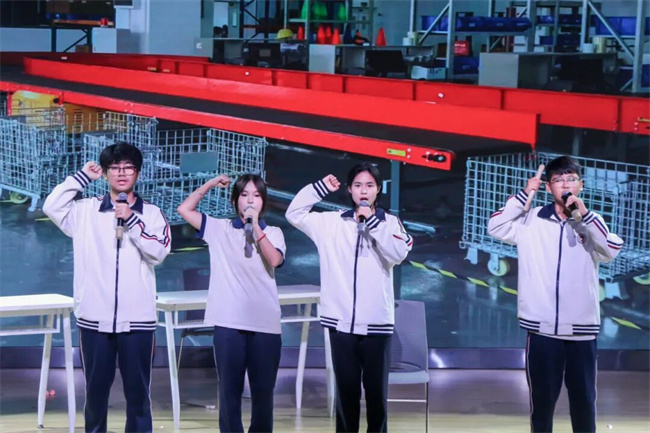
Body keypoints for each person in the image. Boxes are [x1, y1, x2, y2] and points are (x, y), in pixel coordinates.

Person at [487, 155, 624, 433]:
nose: (566, 185)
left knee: (584, 403)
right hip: (542, 329)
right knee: (542, 404)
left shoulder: (592, 221)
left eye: (571, 179)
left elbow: (610, 250)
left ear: (581, 185)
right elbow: (495, 226)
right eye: (559, 180)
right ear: (549, 187)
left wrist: (585, 217)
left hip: (581, 332)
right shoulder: (531, 219)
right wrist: (523, 195)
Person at [43, 142, 171, 433]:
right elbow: (51, 206)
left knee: (139, 397)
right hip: (94, 320)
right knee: (95, 395)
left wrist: (132, 220)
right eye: (114, 167)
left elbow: (159, 252)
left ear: (138, 173)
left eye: (128, 167)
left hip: (138, 322)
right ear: (105, 173)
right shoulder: (85, 211)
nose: (121, 173)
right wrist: (81, 178)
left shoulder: (151, 214)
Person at [285, 162, 413, 433]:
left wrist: (373, 223)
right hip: (340, 324)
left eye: (369, 185)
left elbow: (398, 253)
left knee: (376, 397)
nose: (363, 191)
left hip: (377, 324)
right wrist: (319, 188)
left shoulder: (390, 223)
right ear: (349, 190)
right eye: (358, 185)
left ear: (378, 190)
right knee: (346, 394)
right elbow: (294, 213)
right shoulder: (330, 223)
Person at [177, 173, 286, 433]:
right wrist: (210, 183)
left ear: (263, 201)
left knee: (263, 394)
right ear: (235, 200)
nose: (250, 201)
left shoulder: (274, 232)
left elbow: (274, 260)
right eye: (244, 195)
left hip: (265, 325)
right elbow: (184, 209)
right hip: (228, 323)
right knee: (229, 393)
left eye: (256, 196)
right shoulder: (219, 229)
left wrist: (256, 227)